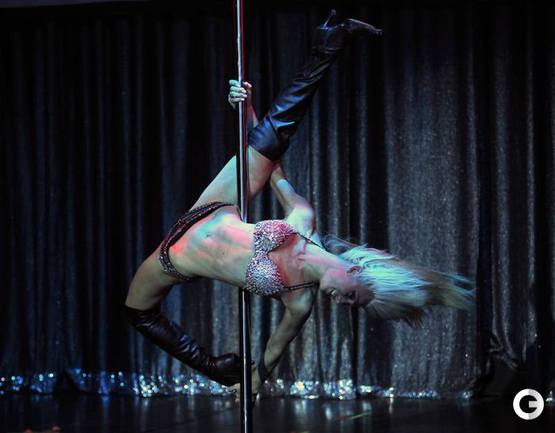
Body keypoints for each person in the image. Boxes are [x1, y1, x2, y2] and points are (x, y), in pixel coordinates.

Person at [124, 10, 475, 401]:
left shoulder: (300, 300)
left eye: (351, 306)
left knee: (137, 312)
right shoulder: (303, 221)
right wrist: (247, 112)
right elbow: (273, 167)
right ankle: (327, 47)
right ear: (355, 269)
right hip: (211, 210)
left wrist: (248, 380)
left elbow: (272, 353)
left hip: (173, 259)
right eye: (352, 296)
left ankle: (212, 366)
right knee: (274, 140)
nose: (341, 302)